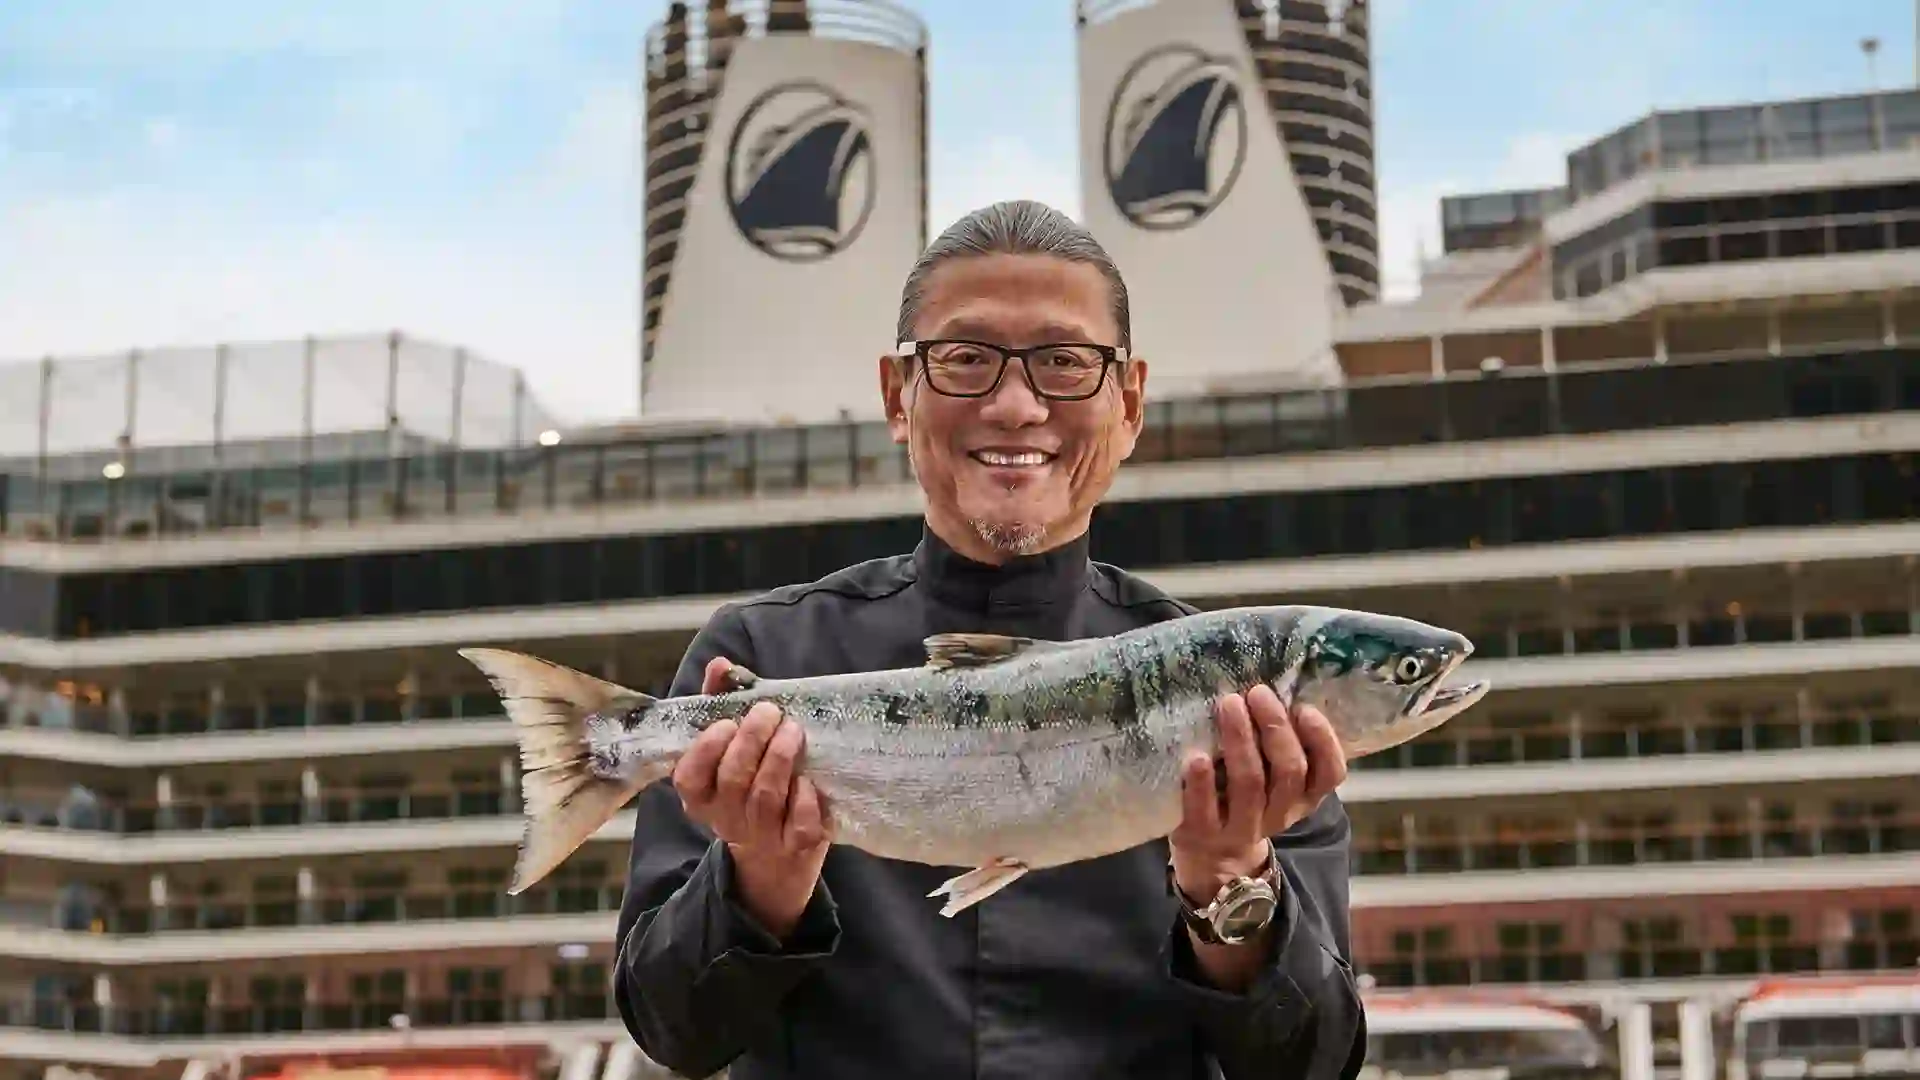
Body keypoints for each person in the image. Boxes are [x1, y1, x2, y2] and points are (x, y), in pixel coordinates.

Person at [613, 199, 1364, 1080]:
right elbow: (673, 1033)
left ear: (1128, 404)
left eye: (1064, 361)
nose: (1015, 405)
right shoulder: (762, 660)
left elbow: (1313, 1062)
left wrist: (1230, 879)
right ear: (900, 396)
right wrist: (760, 879)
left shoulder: (1245, 693)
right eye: (966, 359)